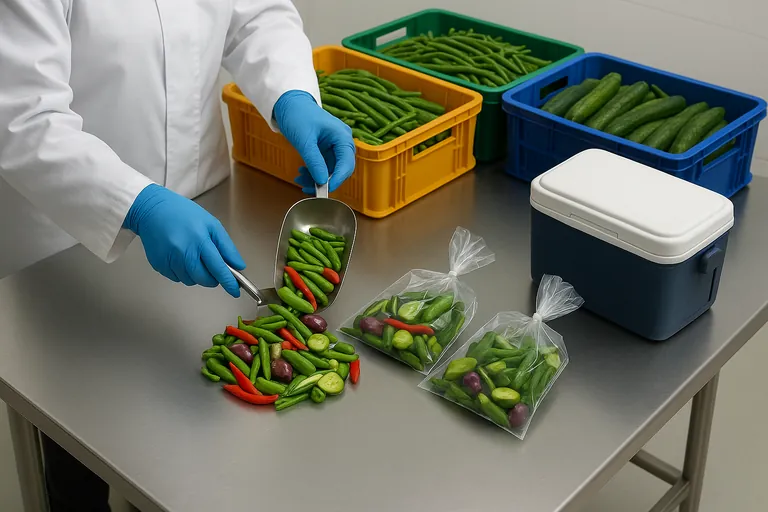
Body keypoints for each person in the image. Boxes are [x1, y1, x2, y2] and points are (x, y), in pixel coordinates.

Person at [0, 1, 355, 510]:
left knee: (191, 438)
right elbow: (22, 115)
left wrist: (292, 94)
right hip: (66, 244)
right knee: (78, 444)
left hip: (202, 204)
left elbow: (256, 15)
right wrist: (138, 204)